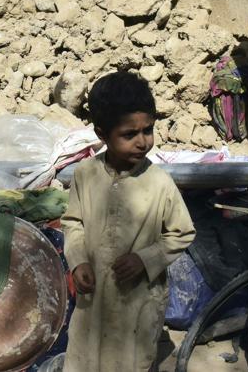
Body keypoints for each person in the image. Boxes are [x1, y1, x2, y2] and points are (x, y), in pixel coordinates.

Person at [61, 71, 196, 371]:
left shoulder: (159, 183)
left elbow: (182, 232)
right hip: (93, 297)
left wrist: (146, 259)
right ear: (101, 133)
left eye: (148, 130)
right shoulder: (85, 174)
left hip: (136, 301)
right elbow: (73, 223)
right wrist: (78, 260)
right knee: (85, 358)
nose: (142, 142)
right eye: (129, 134)